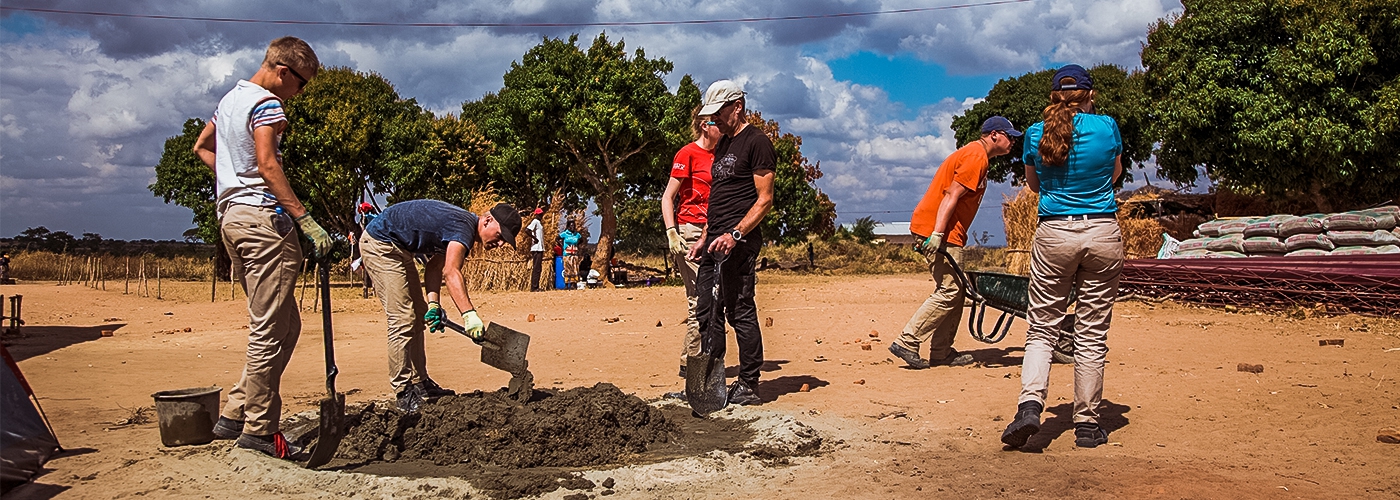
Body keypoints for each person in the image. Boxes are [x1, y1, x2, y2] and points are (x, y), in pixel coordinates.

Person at [193, 37, 325, 459]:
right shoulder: (268, 103)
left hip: (231, 219)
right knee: (269, 329)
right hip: (264, 223)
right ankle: (260, 430)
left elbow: (203, 147)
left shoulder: (230, 100)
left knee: (287, 326)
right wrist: (305, 219)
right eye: (301, 84)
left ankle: (235, 411)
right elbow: (268, 165)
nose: (298, 94)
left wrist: (234, 177)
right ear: (284, 71)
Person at [1001, 64, 1124, 450]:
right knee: (1091, 332)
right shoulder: (1107, 127)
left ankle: (1029, 406)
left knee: (1041, 328)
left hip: (1054, 232)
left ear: (1054, 96)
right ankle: (1087, 425)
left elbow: (1034, 185)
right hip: (1102, 231)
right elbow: (1115, 175)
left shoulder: (1036, 134)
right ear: (1091, 94)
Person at [359, 199, 521, 414]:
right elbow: (451, 272)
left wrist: (433, 304)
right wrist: (469, 315)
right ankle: (402, 392)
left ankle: (419, 382)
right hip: (381, 244)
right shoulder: (463, 228)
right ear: (487, 220)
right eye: (500, 236)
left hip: (400, 248)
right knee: (402, 318)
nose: (499, 244)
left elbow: (435, 267)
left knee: (417, 315)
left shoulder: (462, 230)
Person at [889, 116, 1021, 369]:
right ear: (994, 135)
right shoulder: (976, 157)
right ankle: (907, 340)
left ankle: (941, 351)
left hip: (946, 231)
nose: (1012, 141)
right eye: (1009, 136)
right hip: (940, 231)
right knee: (950, 290)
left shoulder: (976, 155)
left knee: (957, 291)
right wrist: (937, 235)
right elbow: (952, 195)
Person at [689, 80, 775, 406]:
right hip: (715, 241)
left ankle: (749, 383)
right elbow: (719, 197)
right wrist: (705, 236)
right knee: (706, 310)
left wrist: (735, 234)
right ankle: (714, 380)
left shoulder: (757, 143)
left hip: (738, 241)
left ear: (736, 106)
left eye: (719, 113)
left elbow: (764, 200)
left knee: (739, 310)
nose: (715, 121)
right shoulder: (725, 144)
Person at [662, 106, 719, 378]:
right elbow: (667, 197)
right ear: (705, 125)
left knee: (717, 299)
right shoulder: (687, 154)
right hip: (690, 230)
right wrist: (672, 231)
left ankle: (704, 361)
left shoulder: (724, 154)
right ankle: (690, 364)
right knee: (700, 299)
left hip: (716, 232)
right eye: (716, 121)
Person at [527, 208, 545, 291]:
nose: (541, 216)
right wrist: (534, 238)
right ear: (537, 215)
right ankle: (534, 287)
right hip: (536, 248)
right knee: (536, 268)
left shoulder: (539, 223)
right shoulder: (535, 222)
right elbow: (527, 230)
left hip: (540, 248)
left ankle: (536, 286)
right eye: (540, 214)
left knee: (538, 268)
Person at [560, 222, 582, 286]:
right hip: (566, 254)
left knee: (574, 269)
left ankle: (573, 283)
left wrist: (577, 245)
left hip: (574, 254)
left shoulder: (577, 234)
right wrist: (563, 246)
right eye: (571, 226)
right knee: (567, 268)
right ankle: (566, 284)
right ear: (568, 226)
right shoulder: (565, 234)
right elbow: (557, 239)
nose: (572, 227)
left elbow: (581, 240)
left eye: (573, 226)